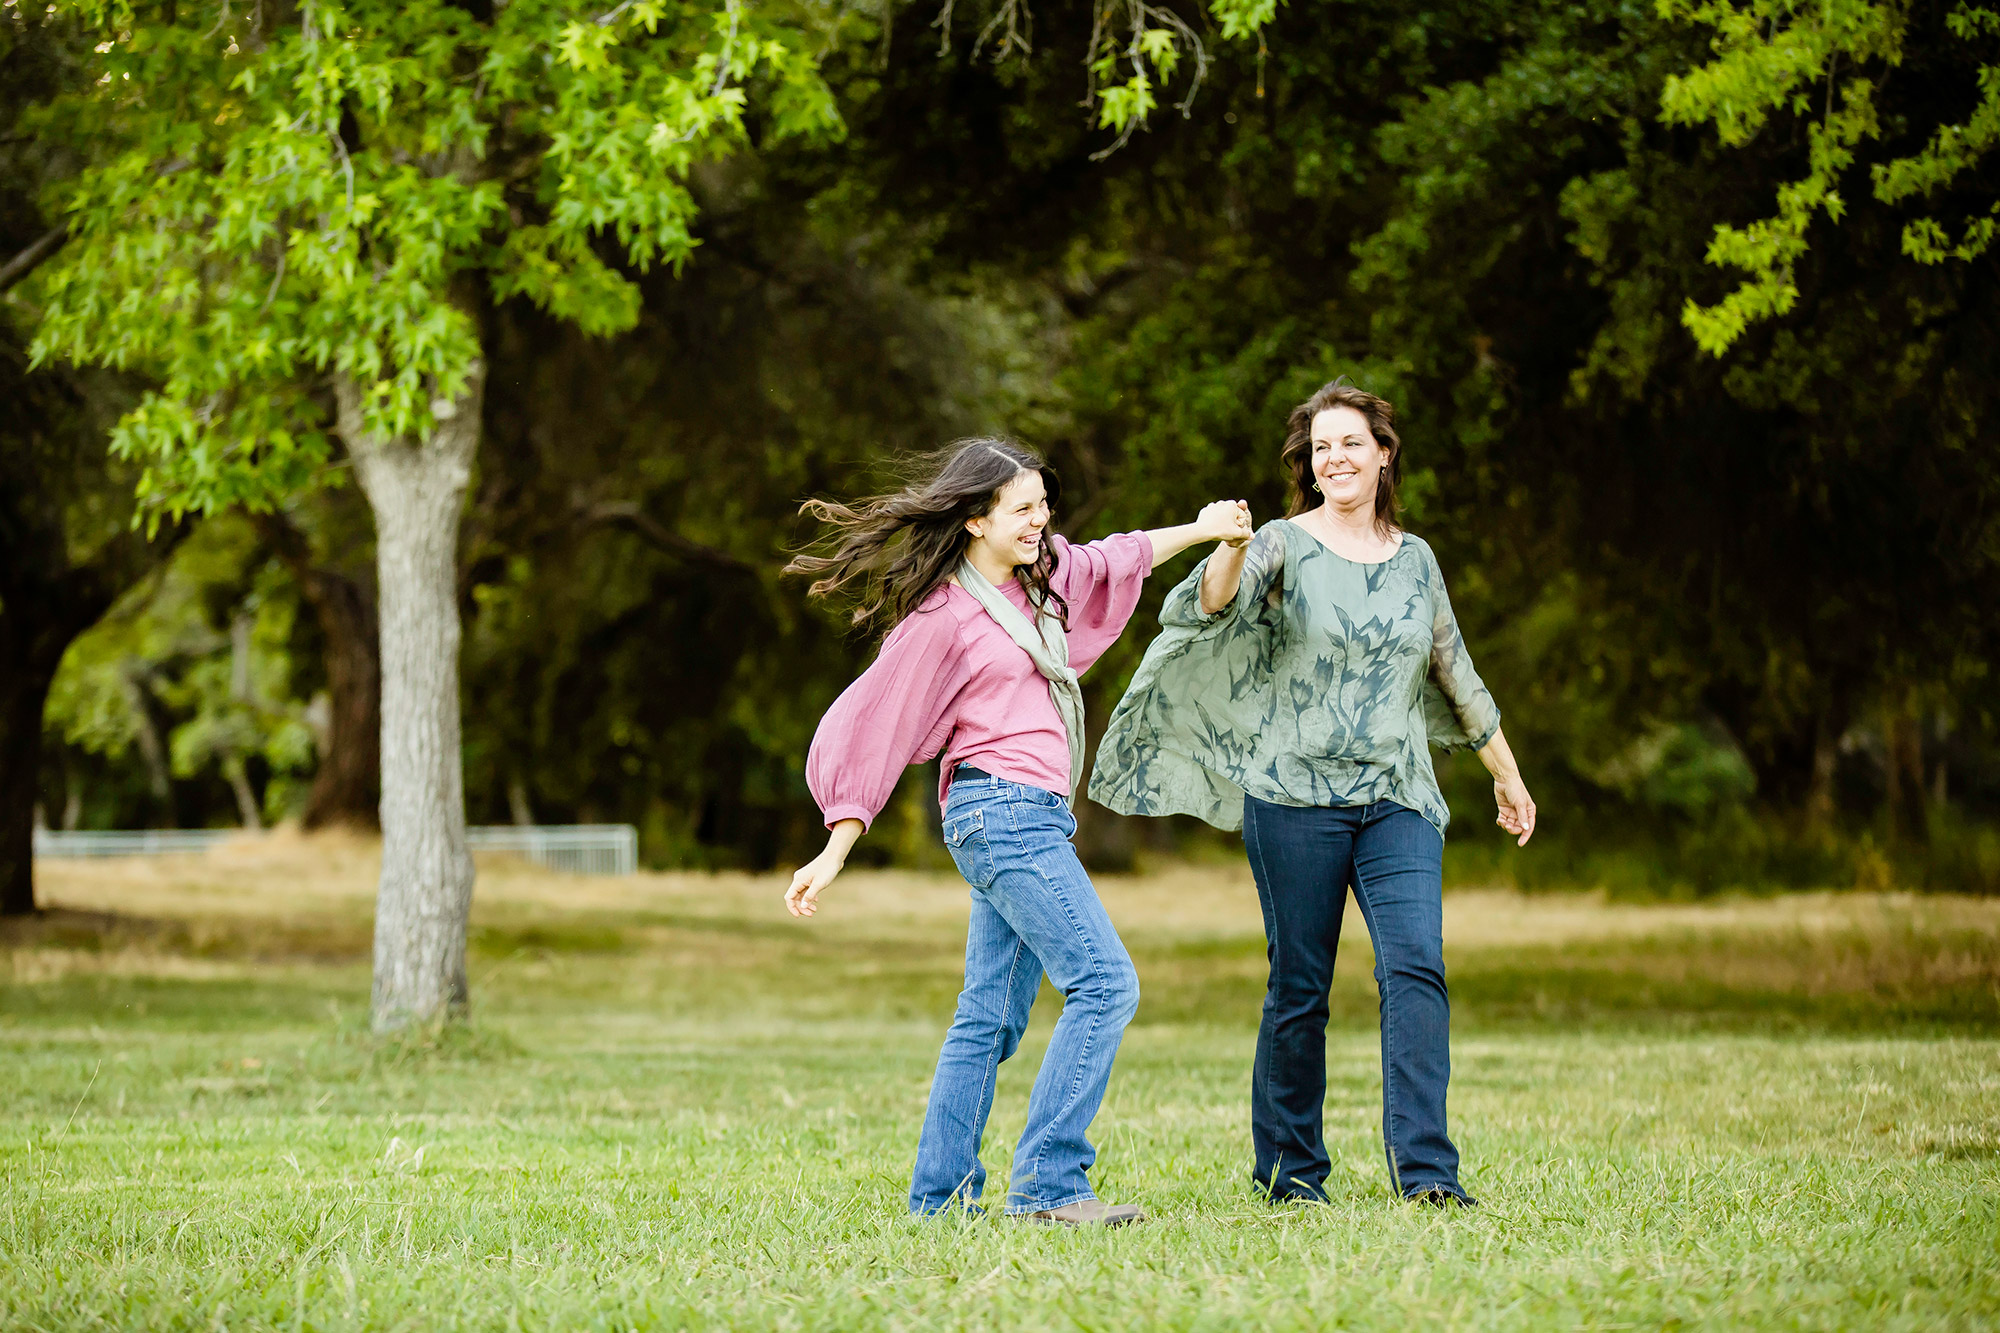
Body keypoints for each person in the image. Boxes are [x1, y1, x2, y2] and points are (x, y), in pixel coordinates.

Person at [783, 437, 1253, 1226]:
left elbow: (1116, 557)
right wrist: (838, 843)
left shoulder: (1041, 582)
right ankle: (1049, 1185)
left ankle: (939, 1201)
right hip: (998, 813)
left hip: (1027, 815)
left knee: (989, 1014)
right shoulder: (941, 618)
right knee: (1106, 984)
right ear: (974, 519)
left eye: (1044, 504)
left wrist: (1207, 531)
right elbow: (877, 722)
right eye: (1023, 508)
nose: (1041, 520)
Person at [1090, 380, 1536, 1208]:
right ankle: (1291, 1173)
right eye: (1320, 447)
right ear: (1310, 463)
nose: (1336, 457)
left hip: (1399, 795)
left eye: (1351, 442)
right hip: (1293, 796)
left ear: (1383, 454)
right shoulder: (1282, 544)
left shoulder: (1417, 559)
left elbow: (1454, 669)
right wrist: (1226, 540)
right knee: (1301, 985)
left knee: (1417, 968)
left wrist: (1505, 772)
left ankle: (1429, 1173)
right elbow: (1213, 603)